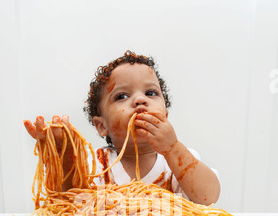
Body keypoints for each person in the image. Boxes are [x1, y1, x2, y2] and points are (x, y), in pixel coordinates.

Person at [24, 51, 220, 205]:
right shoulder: (96, 166)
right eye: (121, 96)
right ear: (102, 126)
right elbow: (69, 204)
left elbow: (208, 197)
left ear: (166, 117)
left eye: (151, 93)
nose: (140, 100)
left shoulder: (178, 163)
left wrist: (173, 148)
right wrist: (65, 155)